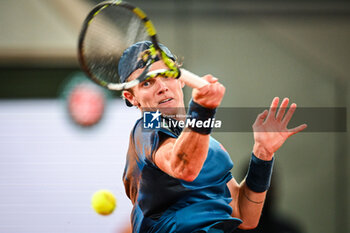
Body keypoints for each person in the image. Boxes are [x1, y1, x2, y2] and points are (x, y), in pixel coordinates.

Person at [120, 41, 307, 233]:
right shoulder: (146, 128)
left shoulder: (208, 146)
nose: (161, 87)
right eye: (147, 83)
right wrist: (202, 110)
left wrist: (263, 154)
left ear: (181, 78)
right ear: (131, 97)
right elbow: (183, 167)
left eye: (166, 75)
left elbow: (244, 215)